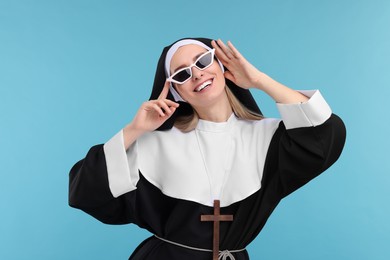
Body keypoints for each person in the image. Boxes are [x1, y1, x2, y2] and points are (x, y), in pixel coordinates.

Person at [69, 37, 346, 260]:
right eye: (181, 74)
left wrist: (259, 80)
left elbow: (323, 134)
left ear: (222, 66)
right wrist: (134, 130)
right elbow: (85, 192)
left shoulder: (267, 137)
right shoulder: (153, 143)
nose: (197, 74)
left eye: (203, 61)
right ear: (176, 91)